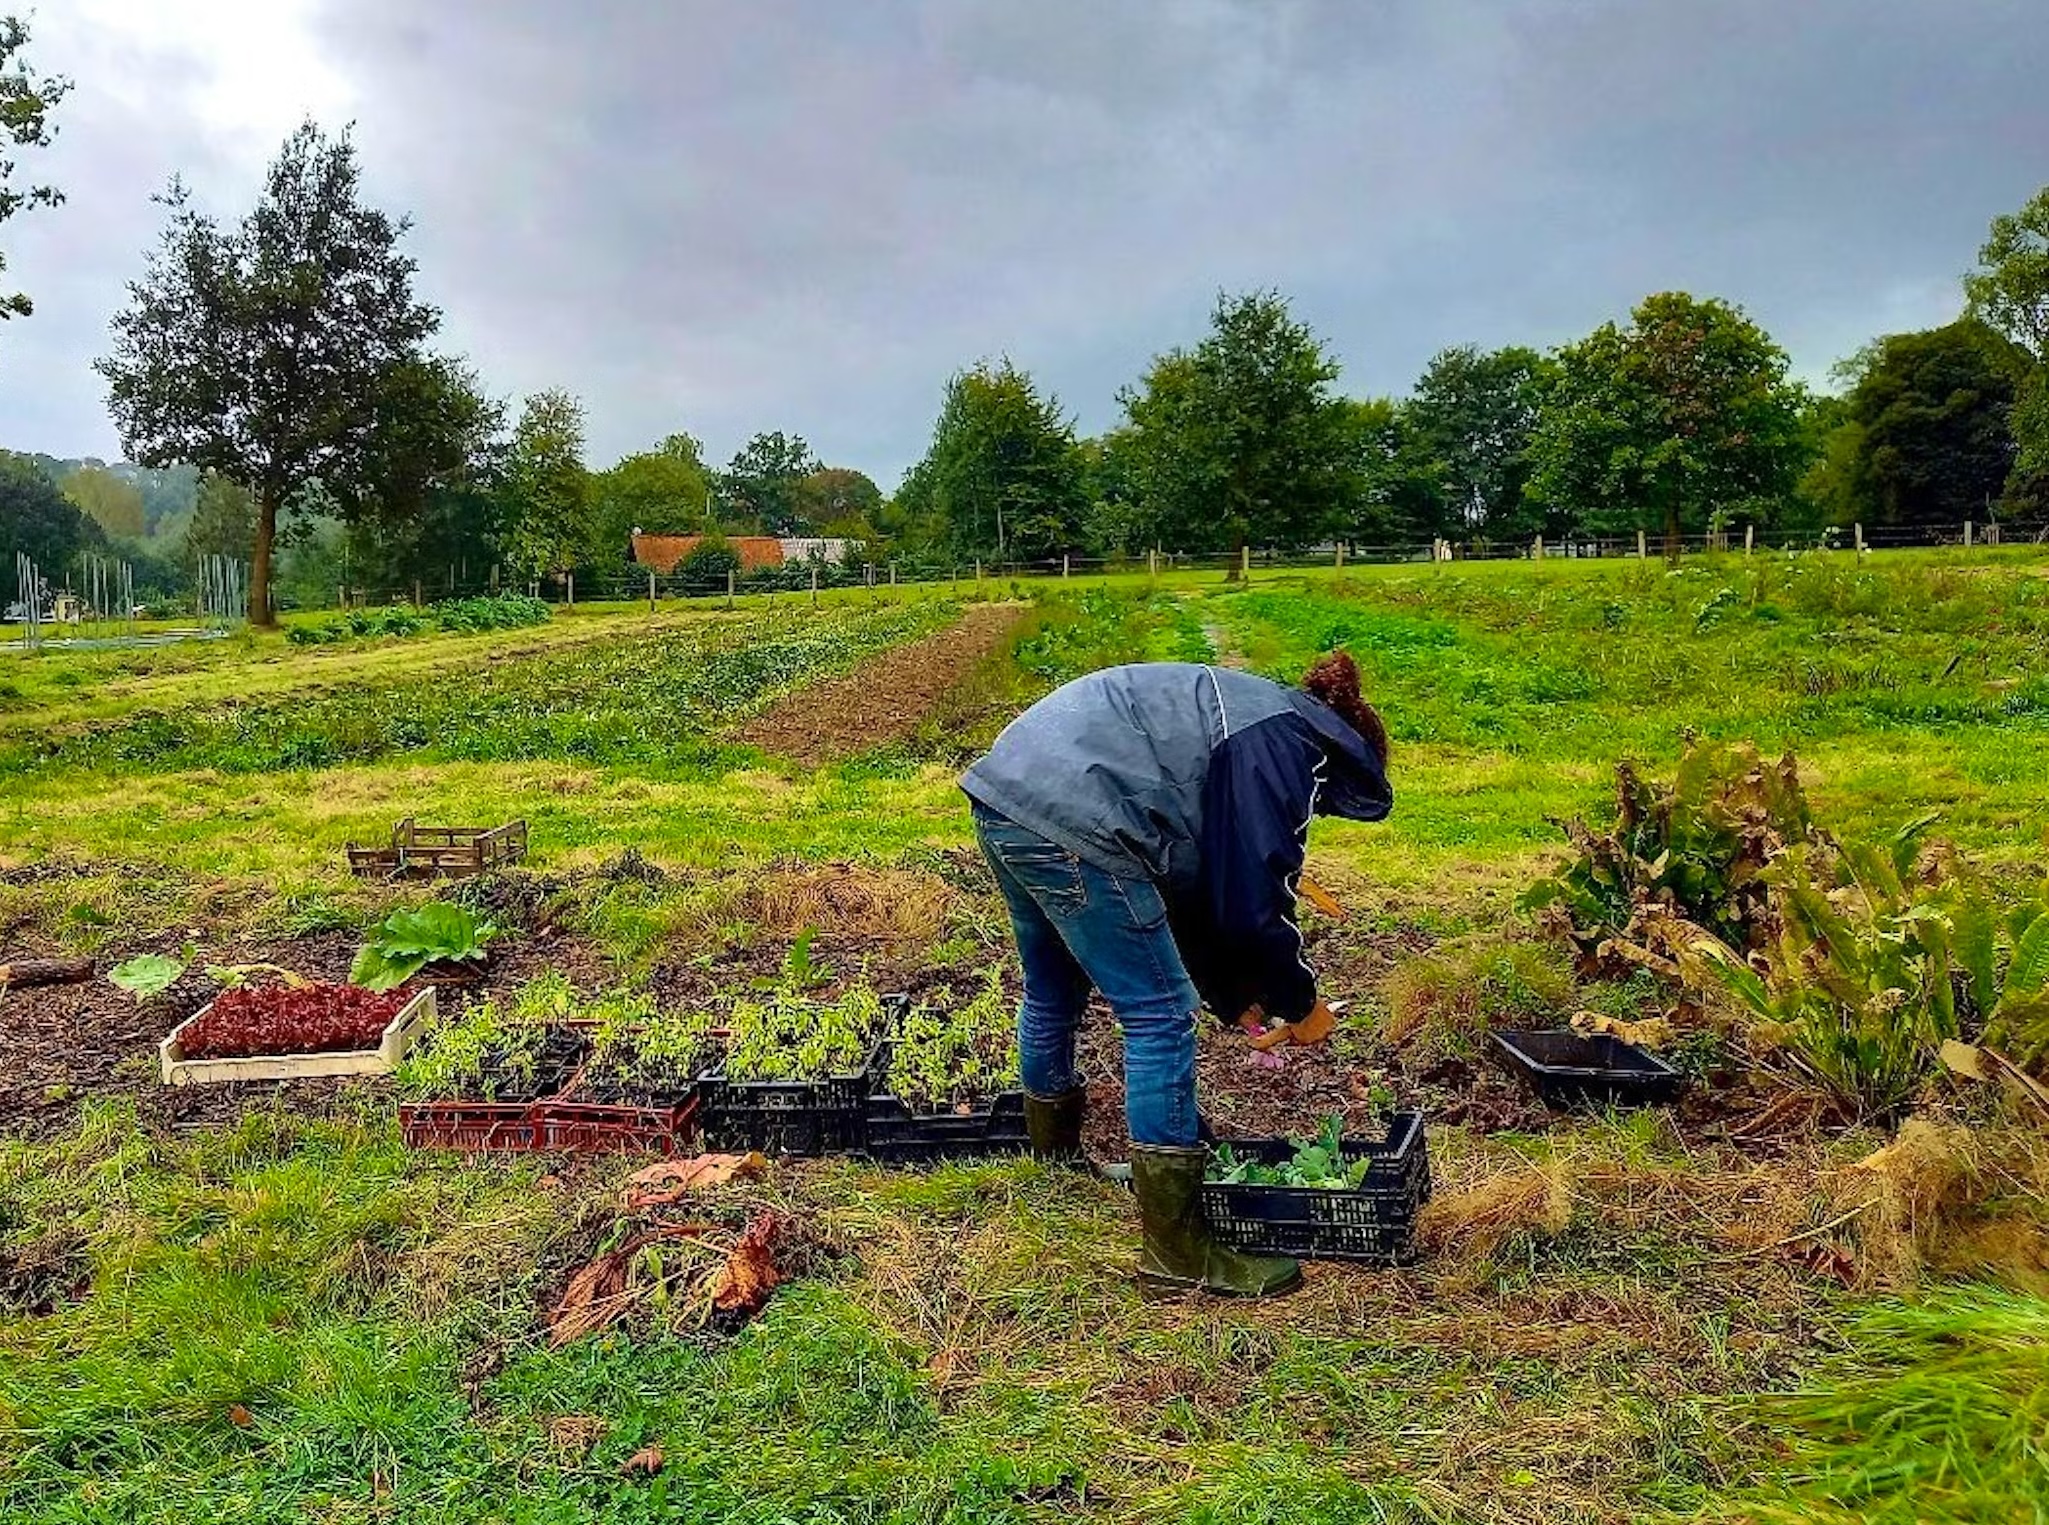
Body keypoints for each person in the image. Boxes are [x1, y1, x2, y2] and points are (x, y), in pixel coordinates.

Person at [960, 650, 1392, 1297]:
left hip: (1010, 798)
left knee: (1052, 990)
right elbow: (1251, 902)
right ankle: (1176, 1253)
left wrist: (1231, 993)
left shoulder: (1252, 713)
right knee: (1158, 1017)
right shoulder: (1286, 744)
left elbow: (1190, 877)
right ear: (1348, 754)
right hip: (1082, 819)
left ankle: (1053, 1167)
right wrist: (1299, 1004)